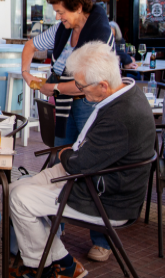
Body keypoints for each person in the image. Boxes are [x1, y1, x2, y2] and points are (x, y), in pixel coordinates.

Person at [9, 42, 155, 277]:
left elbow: (78, 163)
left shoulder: (121, 116)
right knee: (14, 189)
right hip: (90, 177)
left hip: (105, 198)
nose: (78, 90)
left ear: (103, 85)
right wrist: (71, 154)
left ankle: (40, 268)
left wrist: (65, 153)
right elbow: (83, 158)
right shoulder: (124, 91)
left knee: (20, 199)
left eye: (81, 86)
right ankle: (65, 264)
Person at [22, 0, 115, 148]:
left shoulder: (101, 34)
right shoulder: (61, 29)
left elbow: (91, 82)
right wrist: (25, 73)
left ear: (78, 8)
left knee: (88, 155)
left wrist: (54, 88)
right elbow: (30, 46)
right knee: (62, 154)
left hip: (89, 103)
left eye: (61, 12)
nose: (58, 16)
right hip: (64, 102)